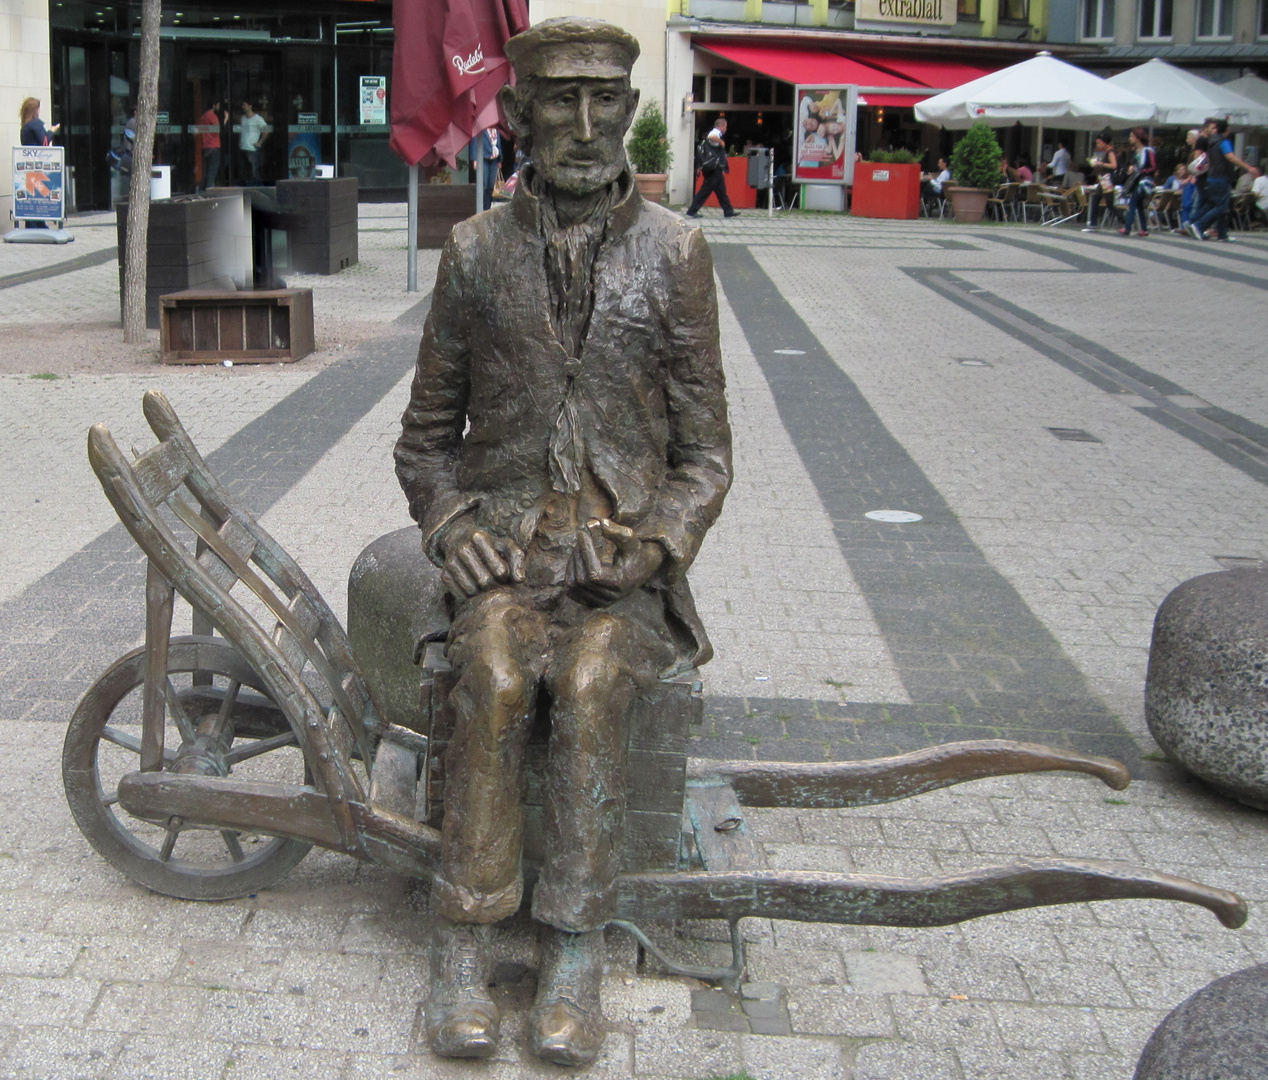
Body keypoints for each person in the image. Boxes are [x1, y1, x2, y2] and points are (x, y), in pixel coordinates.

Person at [395, 17, 732, 1066]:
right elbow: (422, 443)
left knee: (589, 684)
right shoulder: (473, 252)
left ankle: (575, 953)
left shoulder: (675, 254)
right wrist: (449, 526)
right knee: (493, 670)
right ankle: (464, 940)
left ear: (626, 114)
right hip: (506, 560)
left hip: (620, 580)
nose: (582, 126)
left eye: (602, 102)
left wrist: (659, 542)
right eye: (559, 101)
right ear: (518, 115)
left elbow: (706, 456)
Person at [1188, 117, 1253, 242]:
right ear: (1227, 129)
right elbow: (1230, 157)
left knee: (1215, 204)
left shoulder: (1211, 141)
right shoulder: (1224, 141)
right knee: (1222, 207)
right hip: (1222, 176)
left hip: (1211, 176)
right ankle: (1198, 225)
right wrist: (1248, 167)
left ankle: (1222, 234)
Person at [685, 115, 738, 217]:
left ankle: (728, 211)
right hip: (714, 168)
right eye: (725, 127)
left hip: (715, 168)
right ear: (722, 126)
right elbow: (711, 137)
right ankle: (692, 211)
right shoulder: (716, 132)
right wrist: (721, 142)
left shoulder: (715, 132)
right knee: (705, 190)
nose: (726, 129)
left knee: (721, 191)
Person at [1118, 127, 1156, 237]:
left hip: (1143, 181)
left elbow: (1153, 167)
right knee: (1139, 205)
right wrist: (1131, 167)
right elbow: (1133, 164)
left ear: (1137, 138)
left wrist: (1140, 170)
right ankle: (1144, 229)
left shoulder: (1148, 151)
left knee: (1132, 203)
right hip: (1136, 180)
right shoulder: (1134, 151)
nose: (1130, 138)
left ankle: (1127, 227)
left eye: (1131, 136)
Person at [1082, 133, 1119, 231]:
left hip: (1107, 181)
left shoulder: (1110, 152)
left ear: (1104, 142)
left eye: (1099, 143)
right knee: (1096, 200)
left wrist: (1101, 163)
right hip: (1103, 180)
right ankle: (1093, 224)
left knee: (1109, 203)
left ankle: (1125, 220)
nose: (1098, 145)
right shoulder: (1105, 152)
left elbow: (1114, 165)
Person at [197, 99, 226, 192]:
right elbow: (217, 129)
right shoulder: (213, 116)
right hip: (214, 146)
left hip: (205, 146)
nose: (219, 107)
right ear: (214, 105)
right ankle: (210, 192)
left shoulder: (204, 116)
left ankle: (202, 190)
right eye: (218, 105)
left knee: (206, 171)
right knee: (212, 172)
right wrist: (225, 119)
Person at [238, 100, 270, 184]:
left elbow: (266, 130)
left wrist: (259, 142)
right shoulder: (242, 118)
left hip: (252, 149)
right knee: (245, 172)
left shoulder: (258, 119)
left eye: (244, 105)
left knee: (254, 172)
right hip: (243, 148)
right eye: (242, 105)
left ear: (250, 106)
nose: (243, 107)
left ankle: (258, 188)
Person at [478, 126, 502, 211]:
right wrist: (474, 160)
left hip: (494, 159)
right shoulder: (482, 129)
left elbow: (499, 144)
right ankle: (481, 207)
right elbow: (475, 143)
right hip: (484, 158)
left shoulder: (496, 130)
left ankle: (487, 208)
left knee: (491, 185)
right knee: (484, 184)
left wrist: (500, 160)